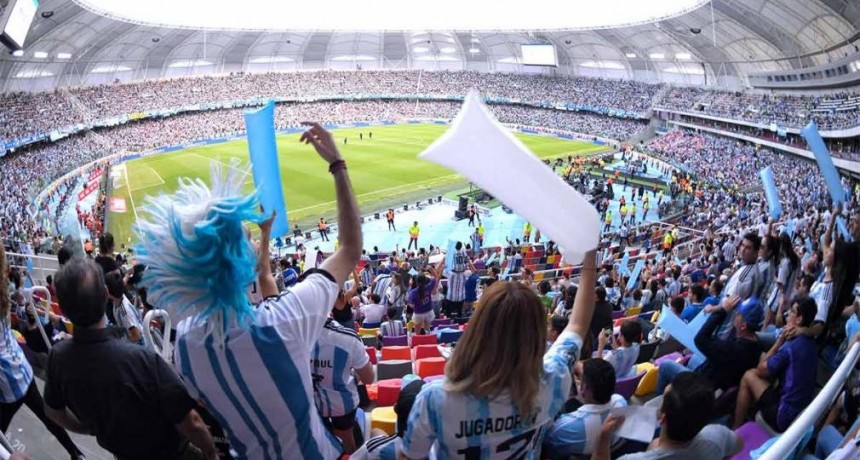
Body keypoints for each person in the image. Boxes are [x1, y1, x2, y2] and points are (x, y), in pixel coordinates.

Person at [135, 122, 362, 459]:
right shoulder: (287, 317)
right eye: (248, 238)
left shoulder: (185, 344)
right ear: (239, 262)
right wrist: (337, 165)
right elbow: (350, 248)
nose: (255, 243)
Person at [400, 248, 598, 459]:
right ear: (536, 334)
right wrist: (589, 255)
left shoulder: (436, 399)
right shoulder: (552, 381)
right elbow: (577, 325)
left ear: (478, 329)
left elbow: (409, 456)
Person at [45, 257, 216, 460]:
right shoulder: (142, 359)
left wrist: (89, 428)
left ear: (63, 308)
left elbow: (54, 412)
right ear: (105, 294)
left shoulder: (58, 358)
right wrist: (212, 454)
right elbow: (192, 422)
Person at [0, 247, 86, 460]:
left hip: (7, 384)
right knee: (49, 419)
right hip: (22, 370)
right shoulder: (4, 292)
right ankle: (76, 454)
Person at [593, 372, 743, 460]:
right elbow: (738, 445)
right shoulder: (717, 436)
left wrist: (603, 437)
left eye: (663, 399)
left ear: (662, 418)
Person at [733, 296, 818, 431]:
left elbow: (760, 369)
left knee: (749, 375)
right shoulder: (812, 343)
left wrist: (779, 341)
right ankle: (751, 414)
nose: (787, 314)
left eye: (792, 312)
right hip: (800, 414)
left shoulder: (789, 347)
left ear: (799, 319)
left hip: (783, 417)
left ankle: (736, 428)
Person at [658, 297, 762, 393]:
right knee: (694, 358)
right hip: (716, 376)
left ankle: (663, 402)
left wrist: (722, 311)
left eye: (738, 314)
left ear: (743, 325)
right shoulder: (756, 346)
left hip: (698, 386)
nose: (735, 314)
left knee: (665, 365)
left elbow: (700, 339)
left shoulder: (732, 349)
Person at [312, 319, 374, 453]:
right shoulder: (348, 337)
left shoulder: (287, 335)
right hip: (342, 405)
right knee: (347, 440)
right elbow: (368, 378)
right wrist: (353, 375)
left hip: (309, 406)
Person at [544, 359, 627, 459]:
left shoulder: (566, 428)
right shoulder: (621, 402)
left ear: (584, 388)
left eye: (580, 379)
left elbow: (546, 439)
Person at [356, 378, 424, 459]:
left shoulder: (373, 449)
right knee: (376, 432)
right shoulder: (436, 451)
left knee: (376, 432)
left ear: (395, 408)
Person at [104, 271, 146, 346]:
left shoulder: (125, 313)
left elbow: (136, 336)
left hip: (137, 345)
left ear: (107, 291)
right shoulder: (118, 298)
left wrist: (121, 344)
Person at [408, 263, 443, 334]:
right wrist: (431, 270)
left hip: (418, 313)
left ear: (416, 281)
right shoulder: (428, 287)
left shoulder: (413, 292)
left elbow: (412, 305)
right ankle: (428, 339)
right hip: (428, 311)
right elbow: (436, 278)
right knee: (427, 330)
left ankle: (419, 340)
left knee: (417, 333)